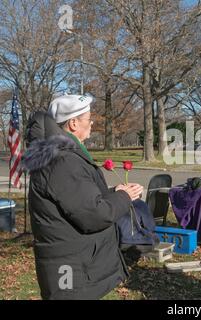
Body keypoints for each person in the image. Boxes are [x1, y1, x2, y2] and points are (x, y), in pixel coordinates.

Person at [22, 94, 143, 300]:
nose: (92, 123)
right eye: (89, 119)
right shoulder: (62, 160)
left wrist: (113, 192)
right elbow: (93, 214)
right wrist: (124, 197)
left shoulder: (64, 154)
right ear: (73, 123)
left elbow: (77, 199)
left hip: (75, 259)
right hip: (68, 266)